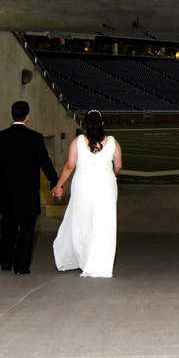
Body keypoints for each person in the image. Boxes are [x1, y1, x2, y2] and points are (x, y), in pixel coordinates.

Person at [0, 101, 59, 275]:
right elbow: (45, 163)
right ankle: (21, 267)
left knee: (8, 228)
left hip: (7, 192)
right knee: (27, 231)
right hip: (28, 193)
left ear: (11, 115)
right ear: (27, 117)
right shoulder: (35, 138)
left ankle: (6, 263)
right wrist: (55, 183)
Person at [52, 110, 122, 278]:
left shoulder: (78, 142)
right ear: (102, 124)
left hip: (83, 186)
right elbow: (118, 166)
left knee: (82, 222)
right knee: (104, 224)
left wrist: (58, 186)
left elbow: (69, 165)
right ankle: (100, 263)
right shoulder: (113, 142)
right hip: (106, 185)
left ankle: (84, 259)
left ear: (86, 125)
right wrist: (111, 175)